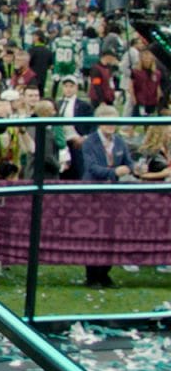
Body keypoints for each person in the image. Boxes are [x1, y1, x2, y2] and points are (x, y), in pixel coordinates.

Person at [79, 104, 134, 287]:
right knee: (94, 234)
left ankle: (105, 274)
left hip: (113, 195)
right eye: (107, 122)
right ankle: (92, 275)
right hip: (93, 194)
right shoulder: (90, 142)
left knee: (111, 234)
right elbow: (92, 167)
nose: (111, 126)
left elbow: (129, 162)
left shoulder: (119, 141)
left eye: (114, 122)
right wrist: (114, 172)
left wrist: (131, 168)